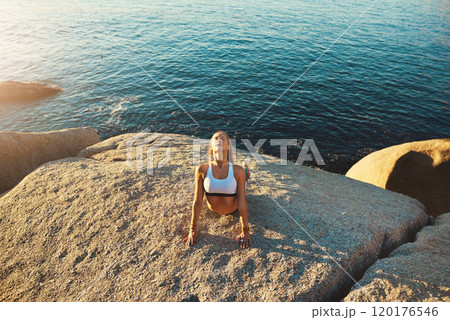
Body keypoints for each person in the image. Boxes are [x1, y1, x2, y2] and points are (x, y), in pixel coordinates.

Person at [183, 131, 251, 249]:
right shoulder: (202, 169)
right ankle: (246, 171)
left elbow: (242, 201)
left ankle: (246, 170)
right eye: (215, 138)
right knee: (241, 176)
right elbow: (198, 201)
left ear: (228, 146)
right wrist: (192, 229)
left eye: (222, 138)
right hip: (213, 209)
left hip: (233, 208)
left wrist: (245, 230)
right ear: (211, 145)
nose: (219, 139)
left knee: (244, 177)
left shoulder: (236, 170)